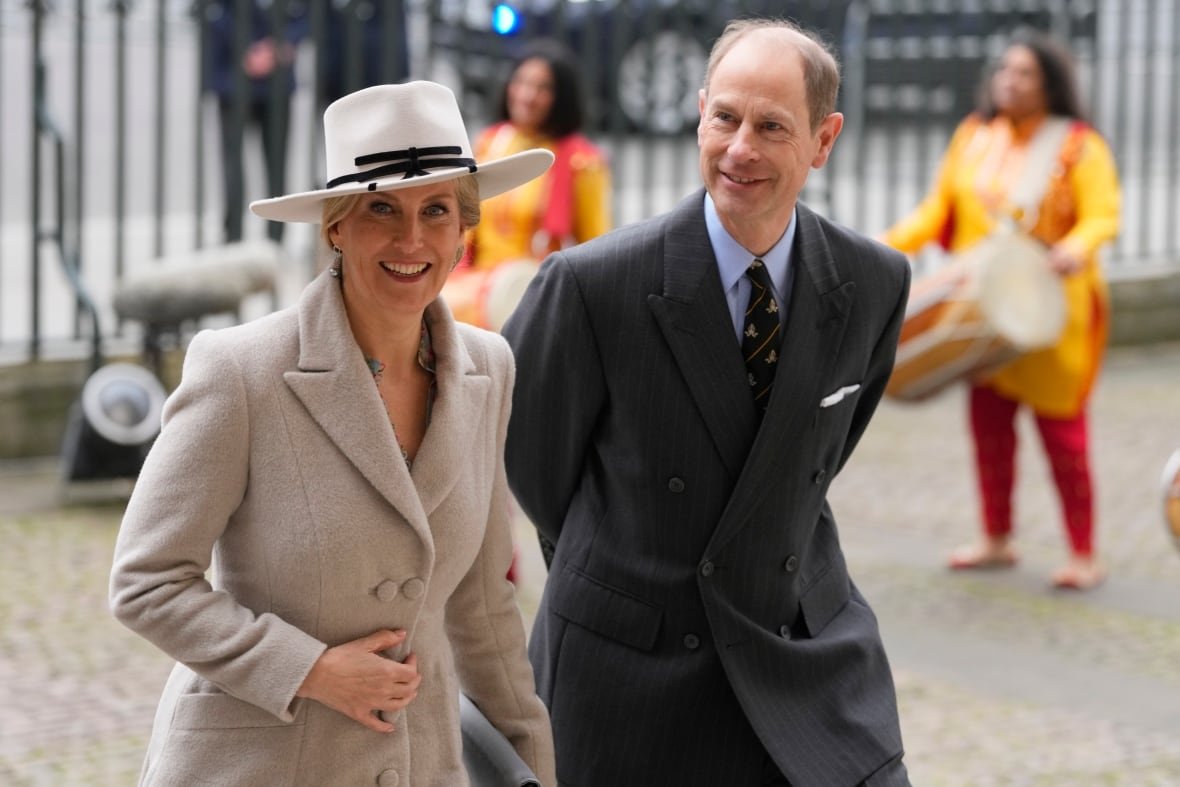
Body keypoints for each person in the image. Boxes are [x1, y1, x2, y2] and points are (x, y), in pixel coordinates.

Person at [108, 81, 557, 786]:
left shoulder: (488, 369)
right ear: (335, 227)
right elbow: (146, 581)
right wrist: (309, 669)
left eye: (435, 210)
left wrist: (533, 765)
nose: (411, 238)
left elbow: (482, 604)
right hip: (256, 765)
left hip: (420, 763)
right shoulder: (242, 372)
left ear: (463, 230)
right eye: (381, 207)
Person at [502, 18, 911, 786]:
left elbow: (811, 460)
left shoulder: (873, 283)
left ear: (823, 141)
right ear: (698, 112)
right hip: (628, 671)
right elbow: (534, 466)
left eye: (771, 126)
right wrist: (626, 564)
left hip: (803, 645)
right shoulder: (594, 286)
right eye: (724, 117)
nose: (739, 149)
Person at [880, 29, 1121, 590]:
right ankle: (995, 537)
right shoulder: (974, 134)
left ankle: (1084, 553)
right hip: (982, 312)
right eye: (1004, 71)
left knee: (1064, 436)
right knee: (989, 429)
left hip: (1053, 316)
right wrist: (883, 247)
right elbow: (938, 210)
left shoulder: (1080, 145)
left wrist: (1075, 248)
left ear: (1050, 83)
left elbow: (1102, 216)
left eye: (1024, 74)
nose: (1009, 82)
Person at [465, 38, 612, 269]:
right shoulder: (489, 142)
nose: (527, 96)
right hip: (476, 292)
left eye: (543, 88)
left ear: (562, 98)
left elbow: (596, 247)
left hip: (536, 291)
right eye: (520, 82)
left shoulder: (583, 161)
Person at [197, 0, 307, 243]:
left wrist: (278, 47)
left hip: (278, 81)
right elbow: (211, 12)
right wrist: (247, 49)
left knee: (277, 164)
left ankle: (276, 237)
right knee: (232, 164)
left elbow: (309, 13)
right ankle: (233, 236)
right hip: (233, 77)